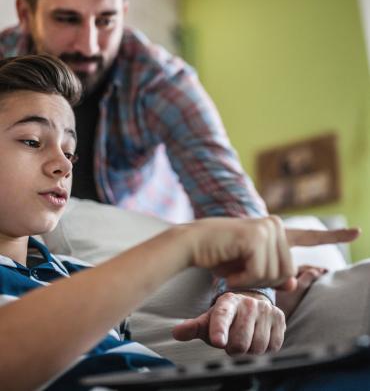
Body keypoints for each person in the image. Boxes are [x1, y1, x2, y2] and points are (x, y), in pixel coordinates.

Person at [0, 0, 283, 355]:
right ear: (25, 12)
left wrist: (253, 291)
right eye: (67, 19)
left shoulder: (162, 82)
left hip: (131, 232)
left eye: (106, 20)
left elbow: (228, 196)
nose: (90, 44)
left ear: (125, 14)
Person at [0, 54, 358, 390]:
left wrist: (279, 298)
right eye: (32, 141)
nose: (63, 165)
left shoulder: (77, 274)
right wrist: (185, 242)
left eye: (69, 150)